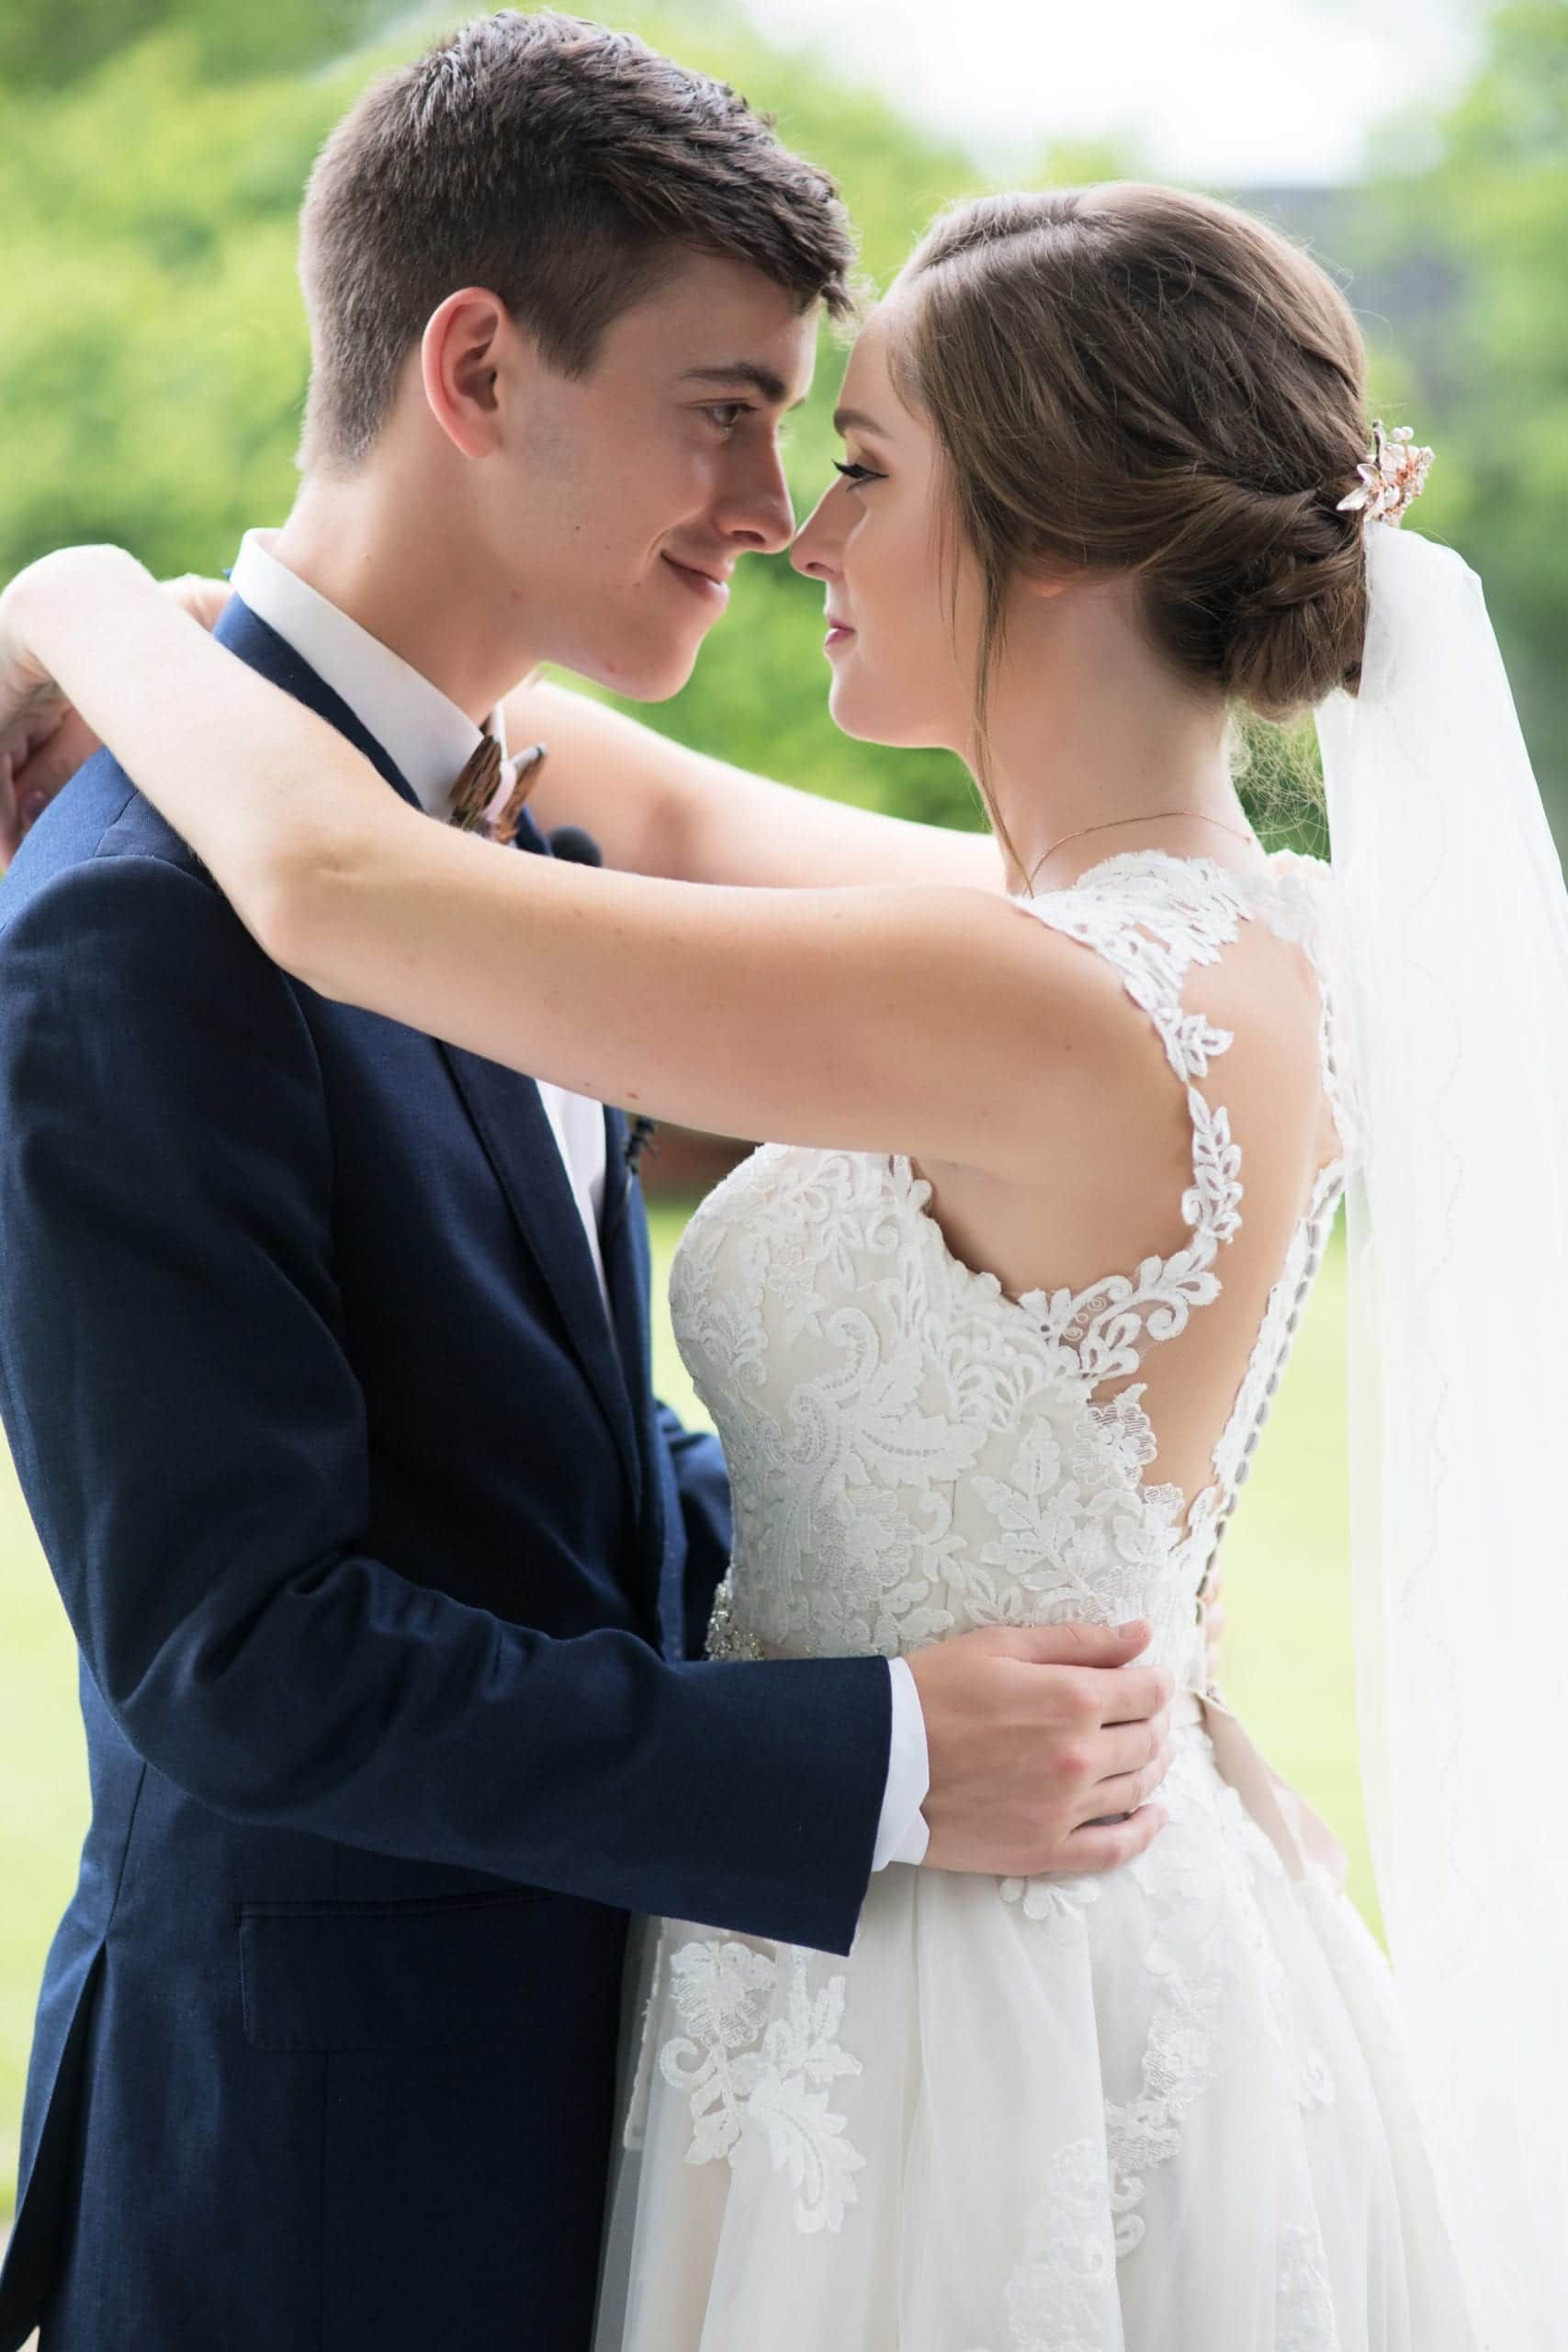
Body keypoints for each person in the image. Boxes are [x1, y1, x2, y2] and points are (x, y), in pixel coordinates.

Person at [11, 169, 1554, 2346]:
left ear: (1071, 534)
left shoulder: (1018, 996)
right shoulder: (1222, 936)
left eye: (857, 463)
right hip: (1043, 1905)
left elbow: (340, 880)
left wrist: (79, 598)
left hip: (953, 1985)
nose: (797, 533)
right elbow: (537, 771)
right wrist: (237, 628)